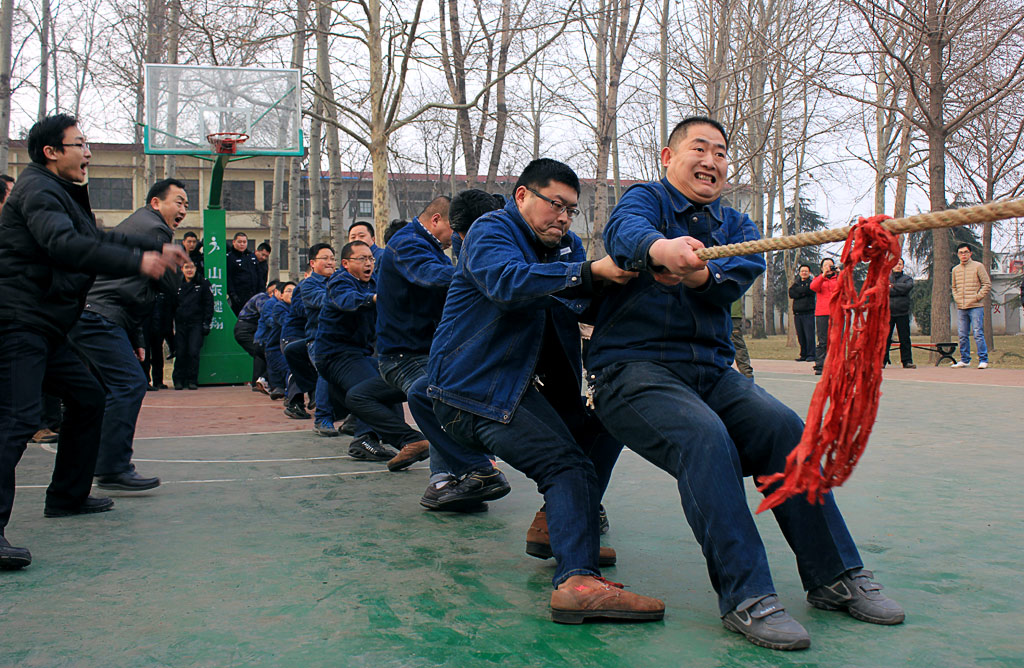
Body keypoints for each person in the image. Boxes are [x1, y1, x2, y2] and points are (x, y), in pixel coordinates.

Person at [587, 116, 903, 650]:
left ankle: (833, 576)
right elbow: (627, 235)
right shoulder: (643, 200)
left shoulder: (738, 226)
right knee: (704, 438)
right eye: (698, 148)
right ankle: (747, 596)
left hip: (709, 371)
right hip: (630, 371)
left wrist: (697, 272)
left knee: (786, 431)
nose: (711, 160)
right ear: (668, 157)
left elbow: (732, 277)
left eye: (721, 152)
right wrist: (662, 251)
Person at [426, 158, 664, 623]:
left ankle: (554, 529)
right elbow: (509, 283)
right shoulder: (490, 233)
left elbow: (586, 297)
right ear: (522, 197)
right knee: (567, 465)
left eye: (571, 210)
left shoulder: (565, 248)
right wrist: (590, 273)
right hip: (470, 391)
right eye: (555, 204)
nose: (563, 217)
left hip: (518, 389)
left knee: (609, 421)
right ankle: (578, 581)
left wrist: (650, 270)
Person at [0, 114, 182, 569]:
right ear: (51, 152)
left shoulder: (61, 193)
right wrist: (139, 263)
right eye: (79, 144)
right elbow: (65, 246)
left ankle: (67, 495)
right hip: (19, 319)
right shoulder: (38, 190)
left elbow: (98, 236)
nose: (87, 152)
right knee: (18, 419)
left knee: (89, 396)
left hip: (48, 321)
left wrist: (148, 251)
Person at [68, 177, 189, 493]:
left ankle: (81, 478)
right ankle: (112, 467)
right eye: (178, 201)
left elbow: (132, 286)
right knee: (129, 383)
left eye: (186, 205)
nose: (183, 209)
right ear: (155, 203)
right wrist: (179, 269)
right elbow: (168, 284)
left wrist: (135, 338)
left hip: (99, 314)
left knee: (91, 396)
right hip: (99, 315)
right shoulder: (155, 231)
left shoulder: (141, 225)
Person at [317, 241, 428, 461]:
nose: (368, 263)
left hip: (360, 354)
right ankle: (372, 439)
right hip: (335, 355)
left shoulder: (375, 283)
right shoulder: (340, 281)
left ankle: (392, 438)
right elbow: (347, 300)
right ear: (346, 264)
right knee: (367, 392)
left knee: (389, 383)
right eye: (362, 259)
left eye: (370, 259)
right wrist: (376, 299)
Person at [301, 243, 339, 436]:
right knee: (326, 375)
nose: (330, 262)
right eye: (325, 258)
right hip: (319, 341)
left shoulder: (340, 280)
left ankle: (353, 419)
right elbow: (327, 302)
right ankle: (323, 418)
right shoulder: (308, 285)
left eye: (332, 258)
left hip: (342, 340)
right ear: (313, 262)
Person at [172, 260, 213, 390]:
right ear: (182, 269)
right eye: (186, 267)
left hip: (196, 323)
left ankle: (192, 380)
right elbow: (172, 305)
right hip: (180, 324)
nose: (189, 270)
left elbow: (208, 304)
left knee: (193, 352)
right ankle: (178, 380)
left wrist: (206, 322)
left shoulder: (203, 284)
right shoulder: (176, 283)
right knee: (180, 352)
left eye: (192, 267)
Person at [951, 243, 991, 368]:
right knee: (962, 334)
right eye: (961, 252)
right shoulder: (955, 269)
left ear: (970, 253)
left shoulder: (978, 266)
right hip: (961, 307)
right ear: (958, 255)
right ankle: (965, 359)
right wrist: (957, 298)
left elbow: (986, 284)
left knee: (978, 333)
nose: (963, 255)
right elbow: (954, 287)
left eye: (966, 252)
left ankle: (983, 360)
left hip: (976, 306)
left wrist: (976, 297)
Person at [233, 281, 278, 393]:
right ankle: (262, 380)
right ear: (272, 291)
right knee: (263, 352)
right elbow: (267, 316)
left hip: (250, 329)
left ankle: (258, 382)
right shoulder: (263, 299)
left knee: (260, 352)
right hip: (246, 330)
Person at [256, 281, 295, 399]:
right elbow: (287, 323)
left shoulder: (296, 308)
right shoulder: (278, 306)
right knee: (291, 369)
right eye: (288, 291)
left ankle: (279, 389)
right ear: (280, 295)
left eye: (295, 291)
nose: (292, 294)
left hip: (287, 348)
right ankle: (291, 399)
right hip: (275, 350)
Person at [884, 258, 915, 368]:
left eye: (900, 264)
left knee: (905, 338)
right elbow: (884, 290)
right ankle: (882, 360)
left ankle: (907, 361)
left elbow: (907, 288)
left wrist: (892, 286)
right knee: (885, 338)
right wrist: (897, 289)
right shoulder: (886, 278)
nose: (898, 266)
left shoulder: (908, 279)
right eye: (896, 264)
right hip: (888, 313)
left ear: (903, 266)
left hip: (903, 312)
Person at [810, 257, 839, 376]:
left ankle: (837, 365)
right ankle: (820, 365)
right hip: (822, 313)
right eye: (825, 265)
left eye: (830, 265)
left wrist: (839, 272)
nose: (828, 268)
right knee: (823, 341)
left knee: (837, 340)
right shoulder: (819, 279)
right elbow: (813, 287)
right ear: (821, 268)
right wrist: (823, 275)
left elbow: (847, 286)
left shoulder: (839, 279)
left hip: (837, 313)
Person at [226, 232, 261, 314]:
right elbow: (229, 277)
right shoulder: (230, 258)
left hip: (253, 295)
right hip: (239, 297)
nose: (242, 244)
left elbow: (259, 275)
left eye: (244, 242)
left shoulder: (251, 256)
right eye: (239, 242)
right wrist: (233, 294)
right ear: (234, 242)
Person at [789, 264, 816, 361]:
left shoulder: (812, 283)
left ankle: (811, 354)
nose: (804, 273)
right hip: (797, 314)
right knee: (801, 335)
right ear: (799, 273)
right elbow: (791, 293)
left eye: (806, 271)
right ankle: (803, 354)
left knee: (809, 335)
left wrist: (799, 292)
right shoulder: (796, 283)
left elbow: (810, 290)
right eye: (802, 271)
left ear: (809, 273)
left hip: (808, 313)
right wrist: (803, 291)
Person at [730, 298, 753, 378]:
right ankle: (747, 373)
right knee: (737, 344)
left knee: (737, 344)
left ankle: (747, 373)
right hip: (731, 312)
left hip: (729, 312)